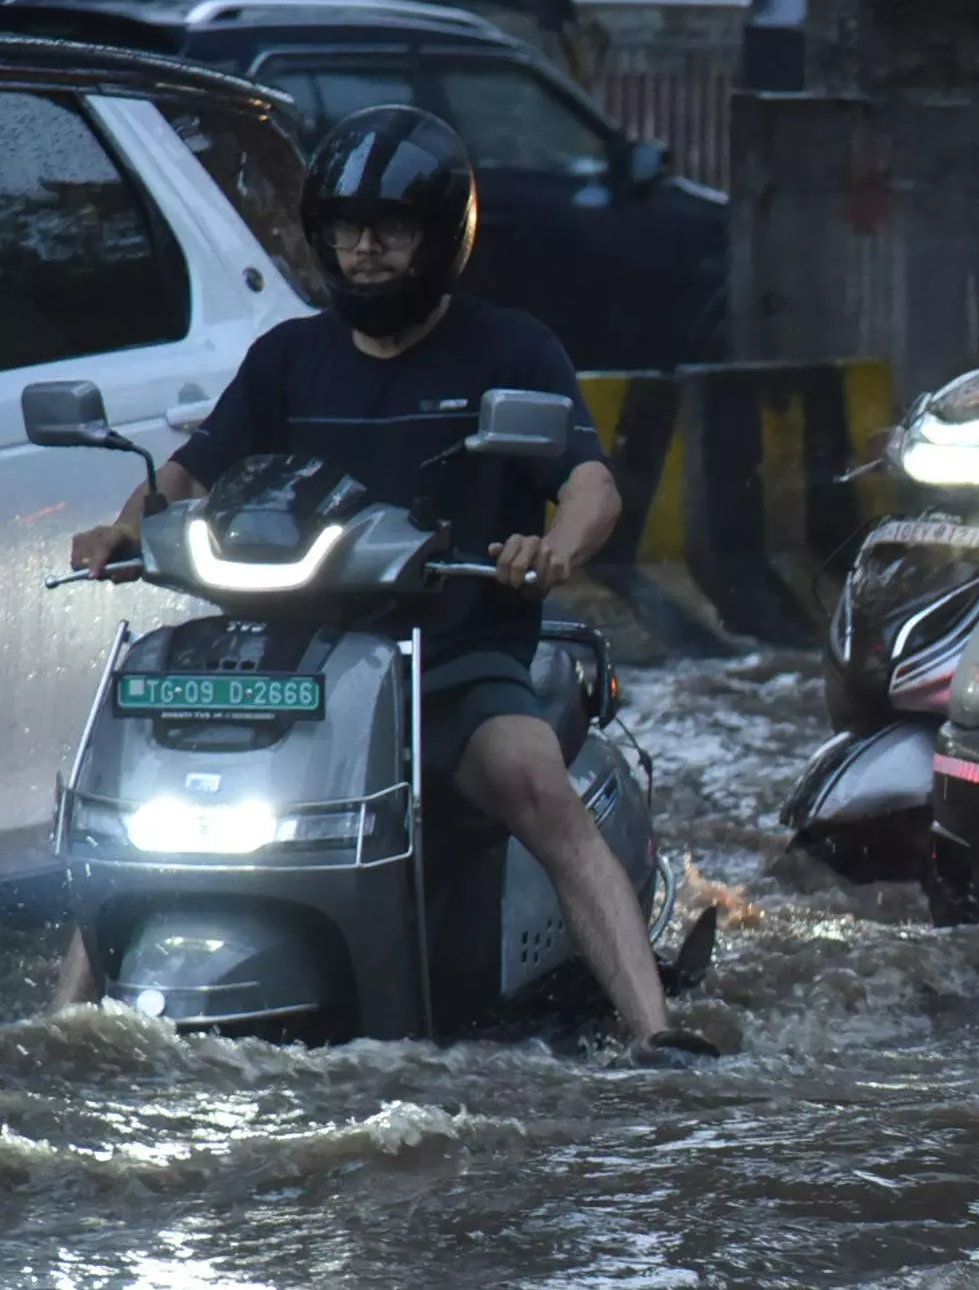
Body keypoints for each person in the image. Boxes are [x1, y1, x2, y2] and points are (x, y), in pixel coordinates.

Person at [61, 107, 694, 1055]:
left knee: (537, 787)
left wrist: (556, 544)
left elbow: (591, 483)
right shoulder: (288, 357)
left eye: (388, 228)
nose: (362, 249)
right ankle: (59, 1038)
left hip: (450, 663)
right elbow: (192, 468)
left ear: (440, 238)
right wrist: (124, 525)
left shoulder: (510, 350)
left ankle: (656, 1032)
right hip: (294, 666)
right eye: (345, 228)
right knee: (132, 815)